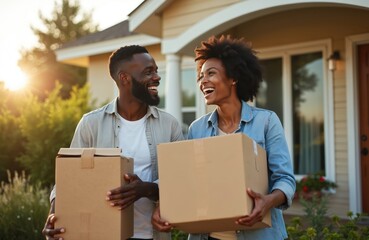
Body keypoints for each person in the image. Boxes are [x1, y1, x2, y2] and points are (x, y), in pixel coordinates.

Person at [152, 35, 296, 239]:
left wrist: (268, 201)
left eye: (211, 73)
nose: (203, 81)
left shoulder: (266, 122)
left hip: (259, 234)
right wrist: (164, 205)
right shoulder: (197, 129)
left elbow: (285, 179)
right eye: (201, 76)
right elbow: (185, 178)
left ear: (233, 77)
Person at [42, 45, 184, 240]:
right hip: (102, 233)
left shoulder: (169, 125)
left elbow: (181, 179)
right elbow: (68, 178)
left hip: (153, 235)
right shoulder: (91, 124)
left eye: (156, 71)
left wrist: (148, 189)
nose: (157, 77)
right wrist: (53, 214)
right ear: (124, 78)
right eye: (148, 72)